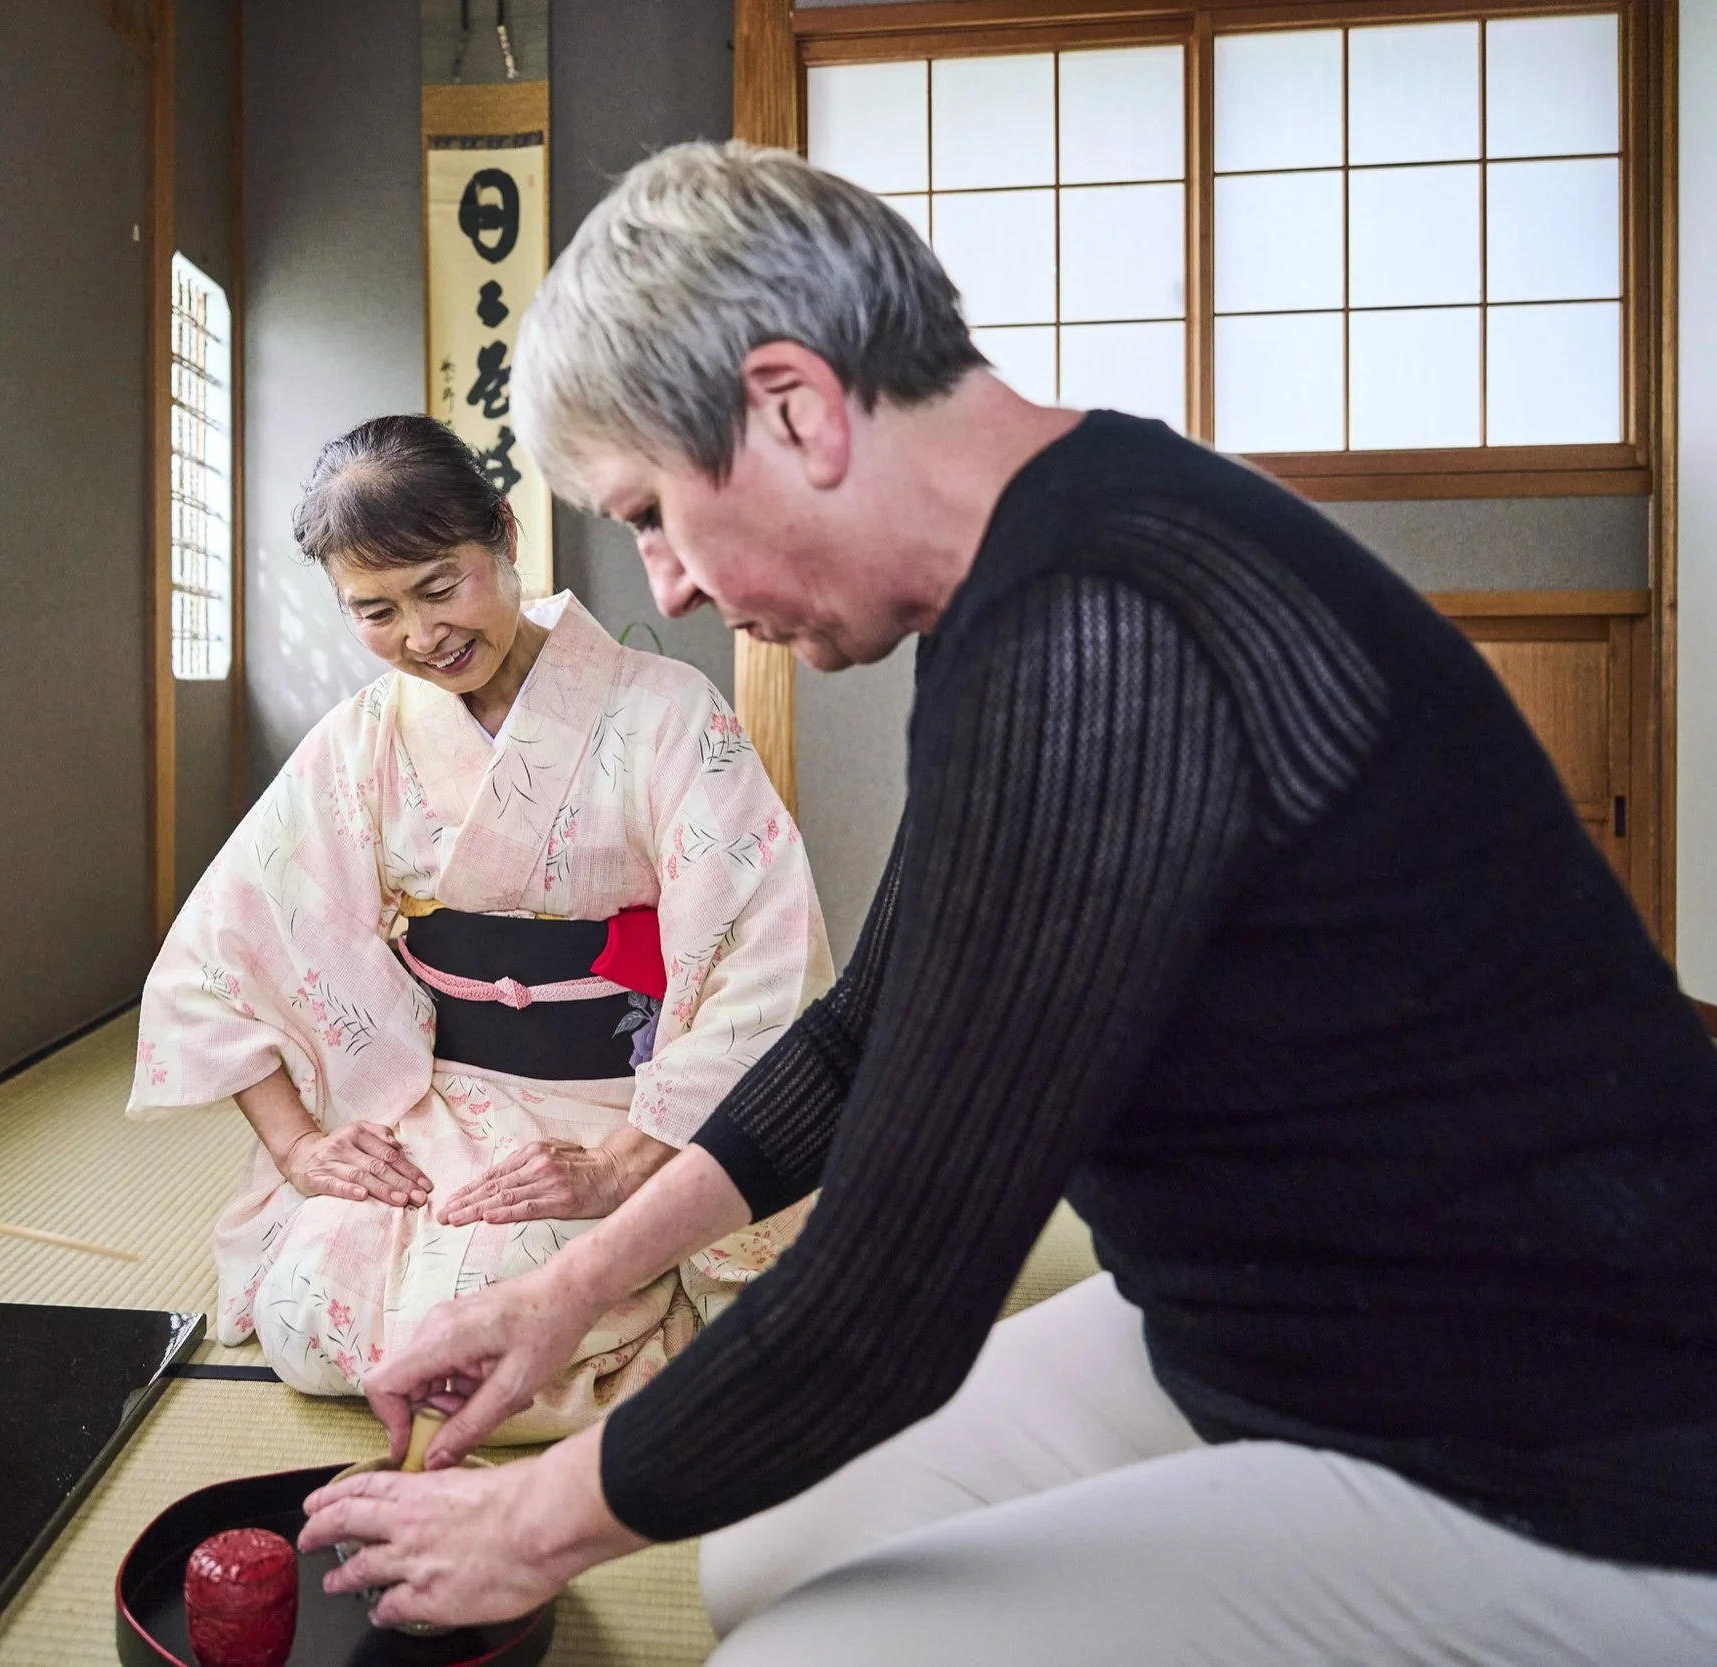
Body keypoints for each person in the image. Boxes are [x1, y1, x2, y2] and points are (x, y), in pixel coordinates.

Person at [298, 141, 1717, 1663]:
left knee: (800, 1652)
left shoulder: (1108, 625)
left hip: (1560, 1433)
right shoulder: (1046, 567)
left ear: (793, 407)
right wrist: (573, 1289)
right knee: (769, 1551)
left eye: (653, 510)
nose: (673, 584)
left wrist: (527, 1522)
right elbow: (859, 1039)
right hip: (1261, 1315)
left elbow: (891, 1295)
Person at [127, 413, 829, 1438]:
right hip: (438, 1099)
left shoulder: (667, 711)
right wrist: (296, 1148)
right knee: (309, 1320)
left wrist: (627, 1165)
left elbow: (760, 959)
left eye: (439, 585)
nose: (419, 635)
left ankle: (653, 1281)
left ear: (503, 532)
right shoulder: (363, 739)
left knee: (493, 1324)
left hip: (632, 1105)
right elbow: (224, 943)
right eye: (374, 610)